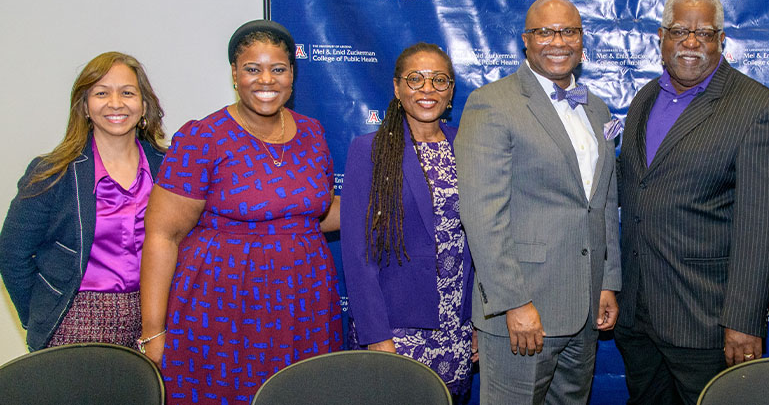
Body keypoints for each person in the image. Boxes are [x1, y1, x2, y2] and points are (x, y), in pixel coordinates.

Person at [139, 20, 342, 403]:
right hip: (224, 303)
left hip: (305, 299)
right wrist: (154, 331)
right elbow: (163, 235)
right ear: (234, 73)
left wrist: (384, 208)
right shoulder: (203, 137)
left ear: (292, 74)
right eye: (252, 69)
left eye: (278, 69)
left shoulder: (313, 132)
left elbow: (311, 211)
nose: (266, 79)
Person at [617, 0, 769, 404]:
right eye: (680, 31)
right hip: (638, 314)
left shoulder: (756, 109)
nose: (692, 42)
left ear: (722, 41)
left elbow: (763, 226)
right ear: (661, 37)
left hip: (704, 321)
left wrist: (744, 321)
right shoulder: (646, 97)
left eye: (706, 33)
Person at [455, 0, 620, 404]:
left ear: (582, 42)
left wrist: (607, 282)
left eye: (568, 31)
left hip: (584, 305)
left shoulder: (597, 110)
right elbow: (482, 215)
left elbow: (602, 203)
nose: (557, 41)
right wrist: (515, 302)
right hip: (523, 311)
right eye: (545, 32)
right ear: (525, 41)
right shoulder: (492, 103)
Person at [0, 52, 166, 351]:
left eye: (127, 93)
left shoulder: (170, 169)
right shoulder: (52, 173)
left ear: (144, 105)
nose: (115, 103)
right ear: (85, 107)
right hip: (73, 324)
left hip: (153, 324)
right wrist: (42, 315)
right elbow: (12, 255)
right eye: (101, 93)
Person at [341, 42, 475, 403]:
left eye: (439, 80)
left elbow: (482, 242)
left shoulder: (469, 144)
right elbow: (357, 254)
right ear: (397, 88)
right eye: (415, 79)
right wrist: (376, 335)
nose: (427, 88)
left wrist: (480, 321)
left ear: (451, 93)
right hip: (397, 329)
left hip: (456, 328)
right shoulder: (369, 150)